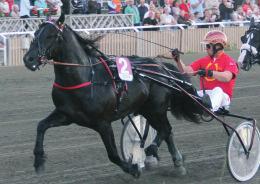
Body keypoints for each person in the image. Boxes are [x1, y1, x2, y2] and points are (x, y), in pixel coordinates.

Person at [172, 30, 239, 112]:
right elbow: (186, 72)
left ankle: (210, 108)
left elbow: (226, 77)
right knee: (189, 92)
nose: (206, 49)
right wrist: (178, 59)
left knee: (218, 90)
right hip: (205, 95)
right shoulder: (203, 60)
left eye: (208, 46)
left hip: (223, 97)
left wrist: (209, 73)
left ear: (218, 46)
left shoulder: (229, 61)